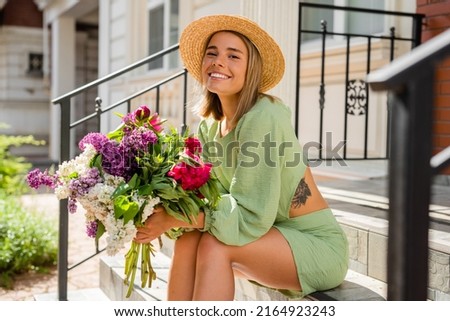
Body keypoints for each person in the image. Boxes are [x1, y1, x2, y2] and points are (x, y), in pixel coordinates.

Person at [135, 14, 349, 301]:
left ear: (252, 69)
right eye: (212, 53)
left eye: (233, 55)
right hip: (270, 235)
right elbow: (212, 198)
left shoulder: (265, 116)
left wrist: (175, 217)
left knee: (216, 245)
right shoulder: (210, 126)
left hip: (314, 244)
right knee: (188, 239)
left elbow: (250, 214)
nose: (218, 61)